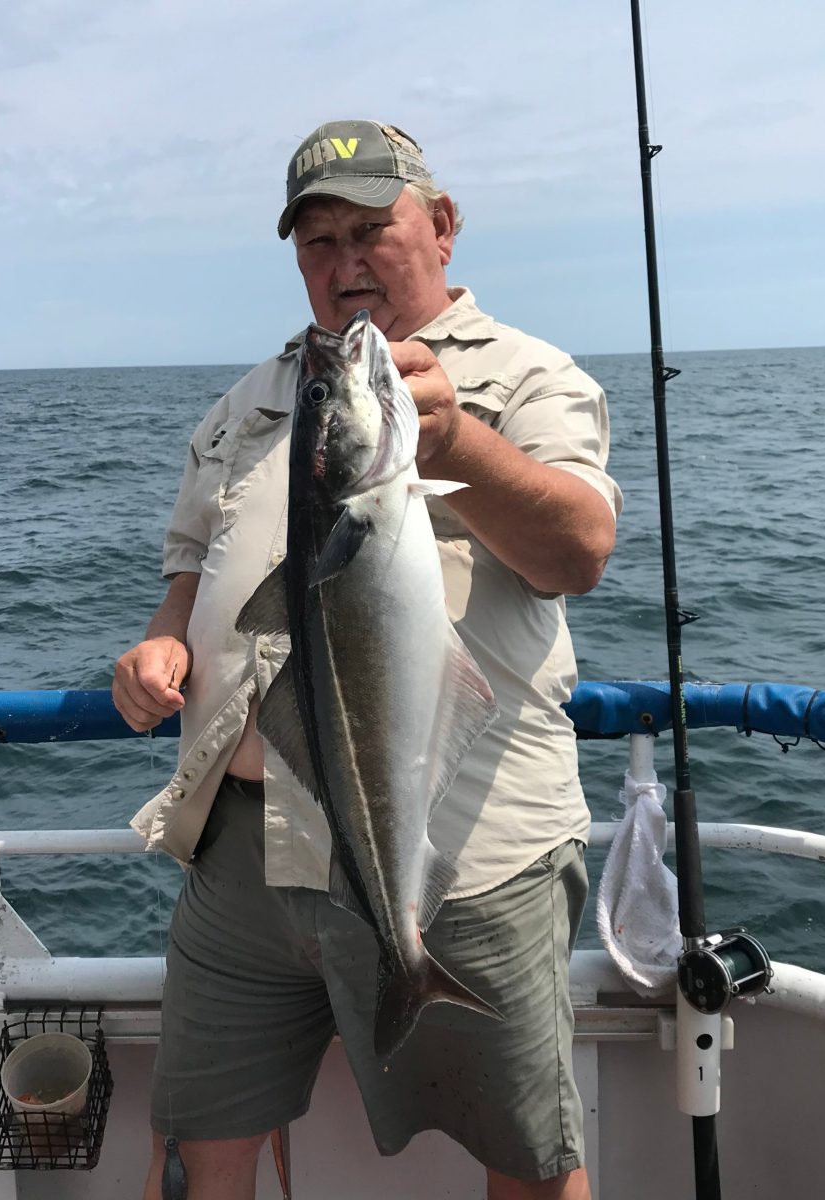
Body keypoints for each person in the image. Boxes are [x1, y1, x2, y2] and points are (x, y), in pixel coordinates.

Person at [114, 119, 621, 1200]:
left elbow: (579, 550)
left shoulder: (530, 375)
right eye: (318, 241)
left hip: (467, 851)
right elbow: (196, 562)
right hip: (245, 850)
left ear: (441, 226)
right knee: (194, 1143)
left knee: (530, 1159)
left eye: (370, 230)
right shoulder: (252, 400)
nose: (344, 262)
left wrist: (456, 441)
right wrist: (161, 638)